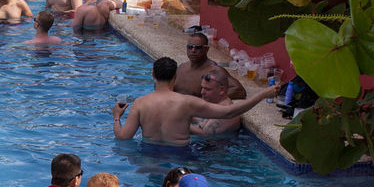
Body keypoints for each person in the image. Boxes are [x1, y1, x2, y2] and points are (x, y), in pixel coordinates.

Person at [114, 57, 276, 147]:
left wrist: (116, 117)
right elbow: (229, 112)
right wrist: (263, 94)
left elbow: (123, 137)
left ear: (153, 75)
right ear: (175, 77)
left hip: (148, 154)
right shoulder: (187, 103)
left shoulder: (140, 103)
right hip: (180, 157)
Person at [173, 31, 246, 98]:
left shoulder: (214, 70)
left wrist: (209, 100)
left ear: (206, 49)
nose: (193, 50)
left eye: (198, 47)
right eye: (190, 47)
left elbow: (239, 90)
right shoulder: (181, 68)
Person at [190, 71, 244, 137]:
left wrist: (178, 122)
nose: (202, 92)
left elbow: (204, 134)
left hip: (217, 146)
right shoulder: (213, 103)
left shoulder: (225, 111)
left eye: (207, 89)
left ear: (221, 90)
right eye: (202, 87)